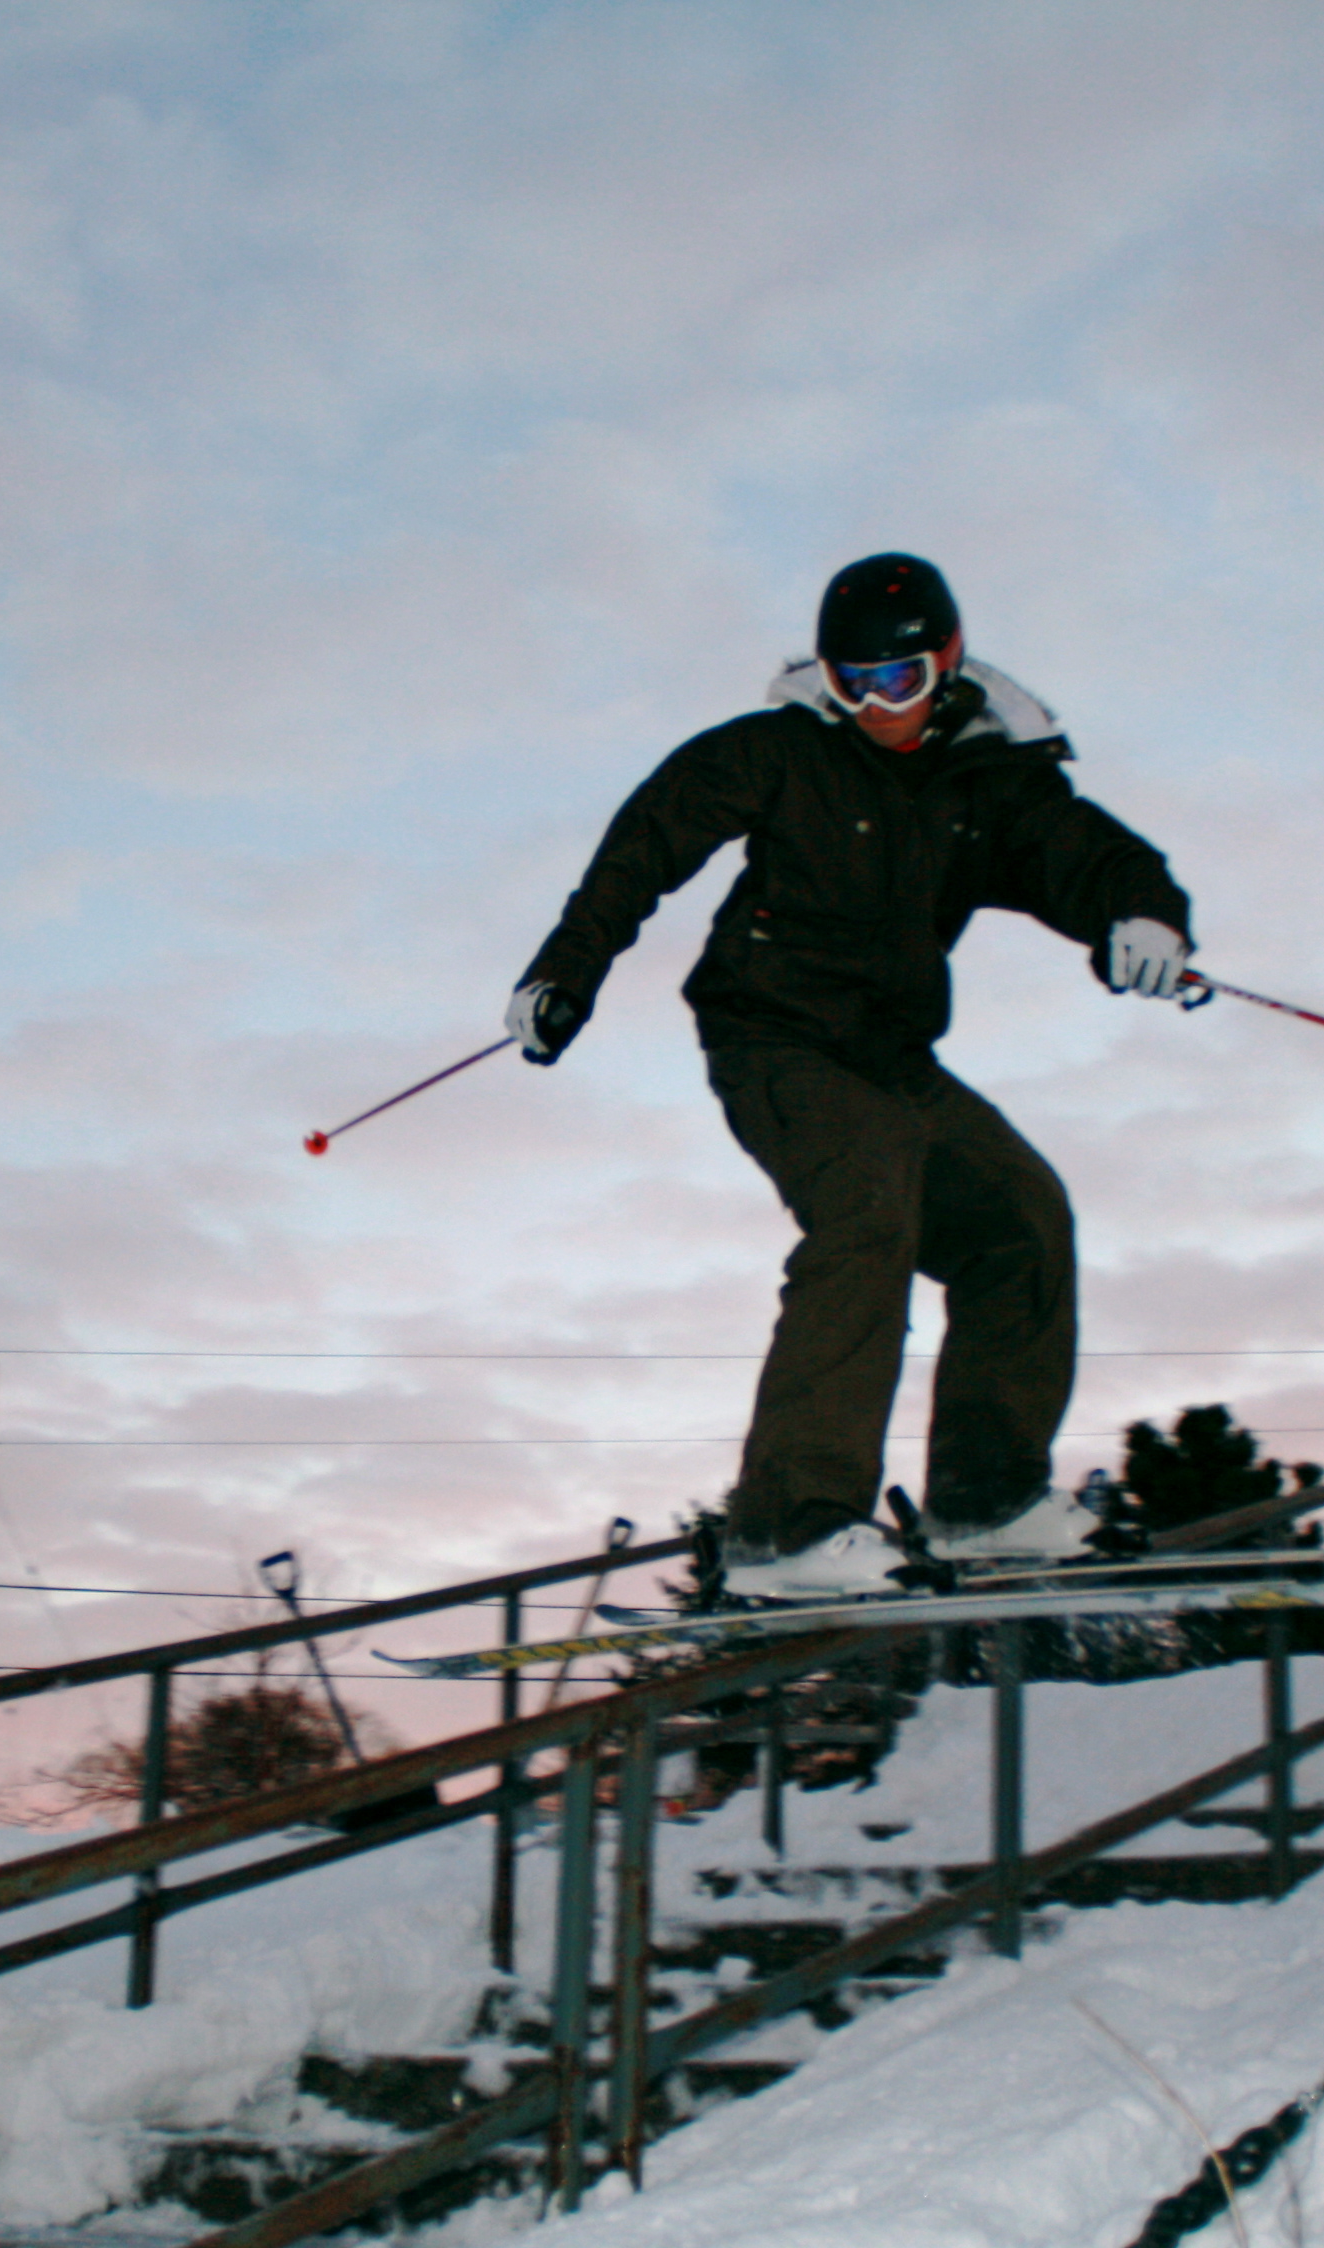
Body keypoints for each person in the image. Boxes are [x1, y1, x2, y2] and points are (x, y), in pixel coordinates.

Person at [506, 552, 1198, 1601]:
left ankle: (986, 1503)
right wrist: (568, 969)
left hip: (892, 1057)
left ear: (949, 661)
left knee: (1020, 1215)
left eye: (902, 681)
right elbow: (649, 839)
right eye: (853, 684)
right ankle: (788, 1526)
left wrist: (1141, 919)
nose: (877, 706)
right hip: (773, 1037)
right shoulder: (781, 754)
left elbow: (1083, 854)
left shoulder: (987, 783)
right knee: (870, 1206)